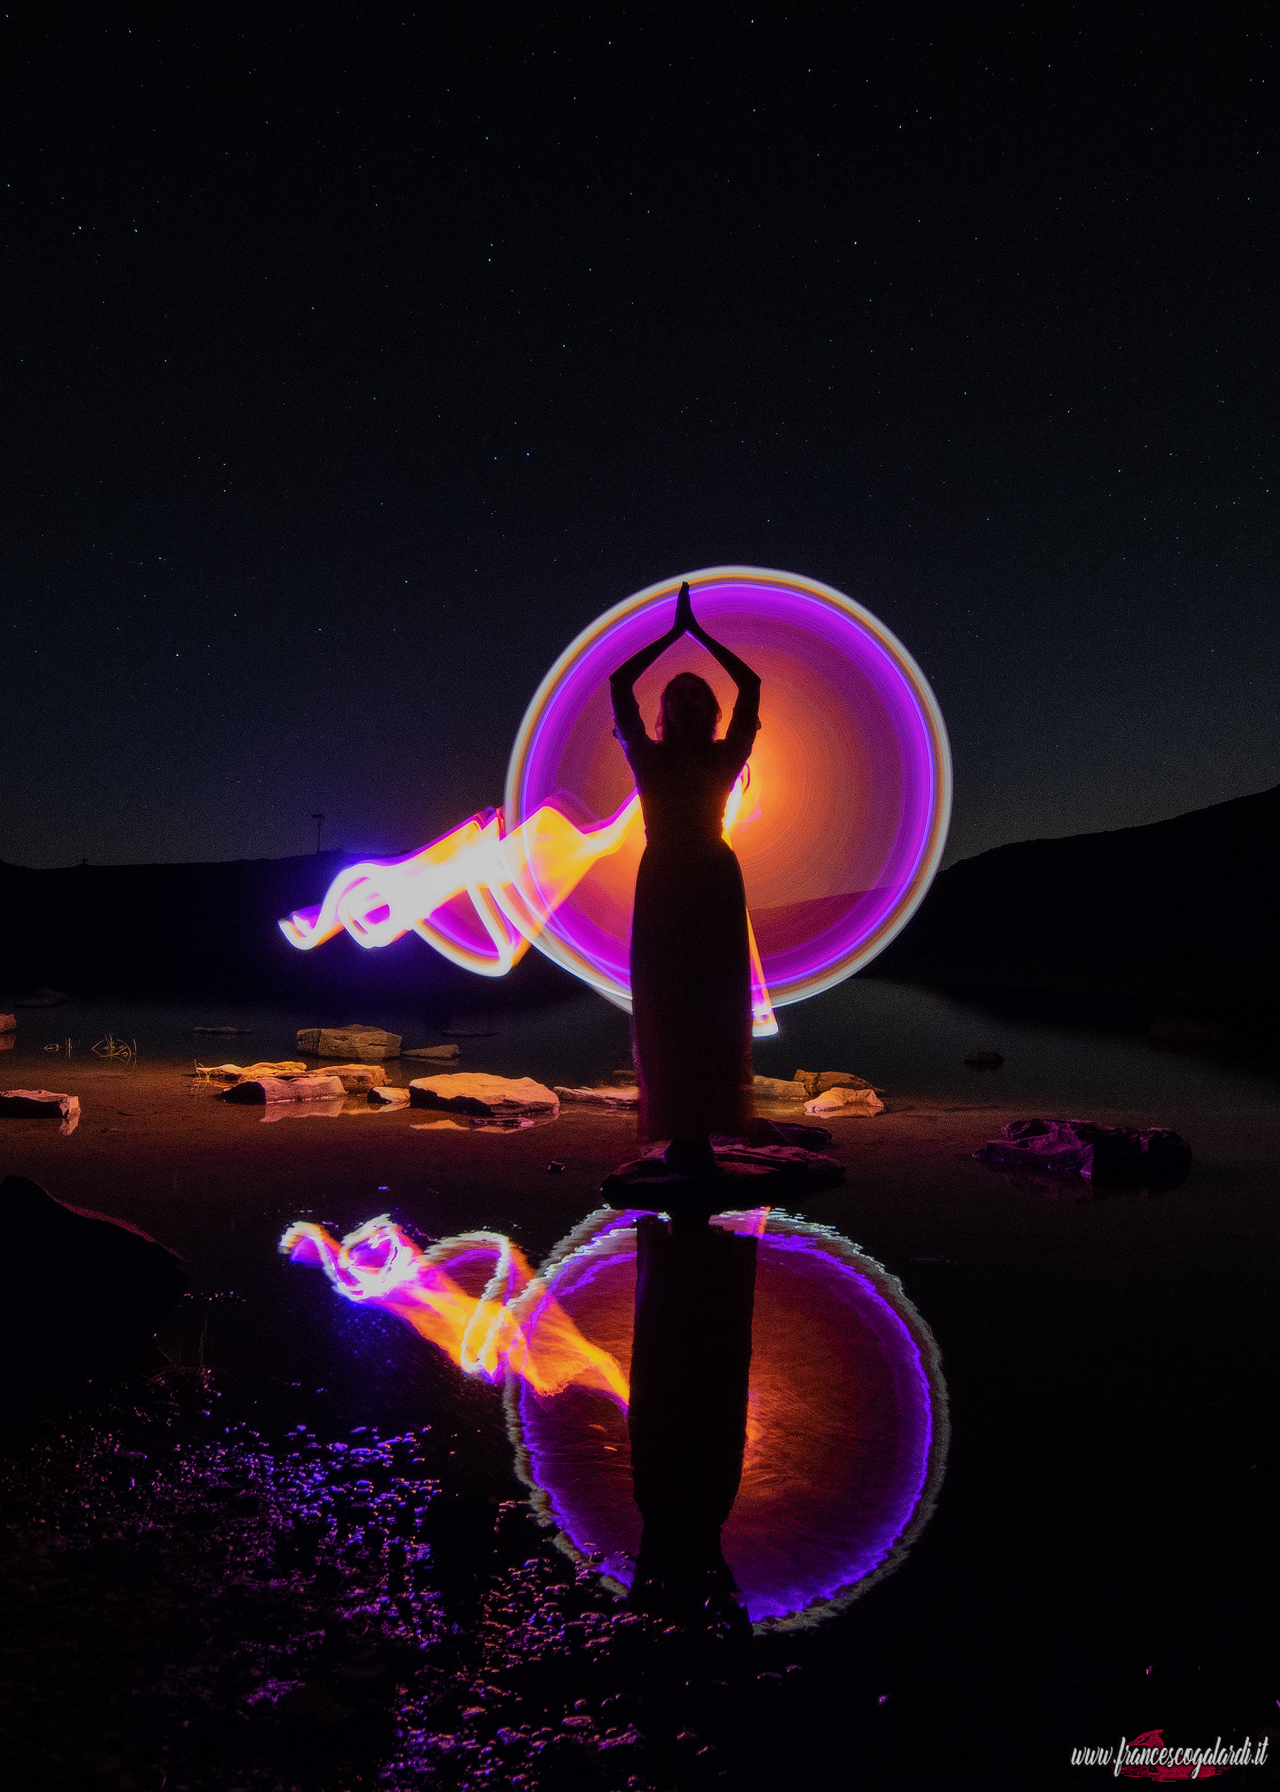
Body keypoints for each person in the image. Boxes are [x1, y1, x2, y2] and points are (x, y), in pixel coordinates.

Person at [610, 582, 761, 1176]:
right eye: (677, 693)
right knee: (665, 1005)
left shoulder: (726, 759)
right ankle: (680, 1134)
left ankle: (706, 1130)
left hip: (714, 881)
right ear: (664, 709)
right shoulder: (646, 758)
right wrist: (670, 635)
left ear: (711, 710)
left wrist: (702, 634)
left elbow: (750, 686)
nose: (687, 699)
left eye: (697, 694)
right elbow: (621, 685)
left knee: (717, 1006)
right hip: (664, 883)